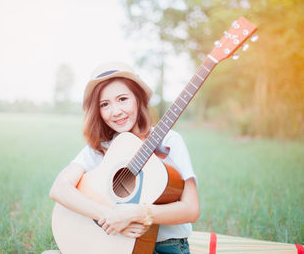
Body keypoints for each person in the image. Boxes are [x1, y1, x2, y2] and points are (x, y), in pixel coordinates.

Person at [47, 62, 199, 254]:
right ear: (98, 111)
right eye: (105, 104)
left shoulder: (169, 141)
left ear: (137, 99)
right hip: (110, 244)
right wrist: (111, 216)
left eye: (122, 99)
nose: (116, 111)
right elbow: (59, 189)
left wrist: (140, 213)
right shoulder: (101, 146)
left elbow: (191, 209)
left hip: (165, 247)